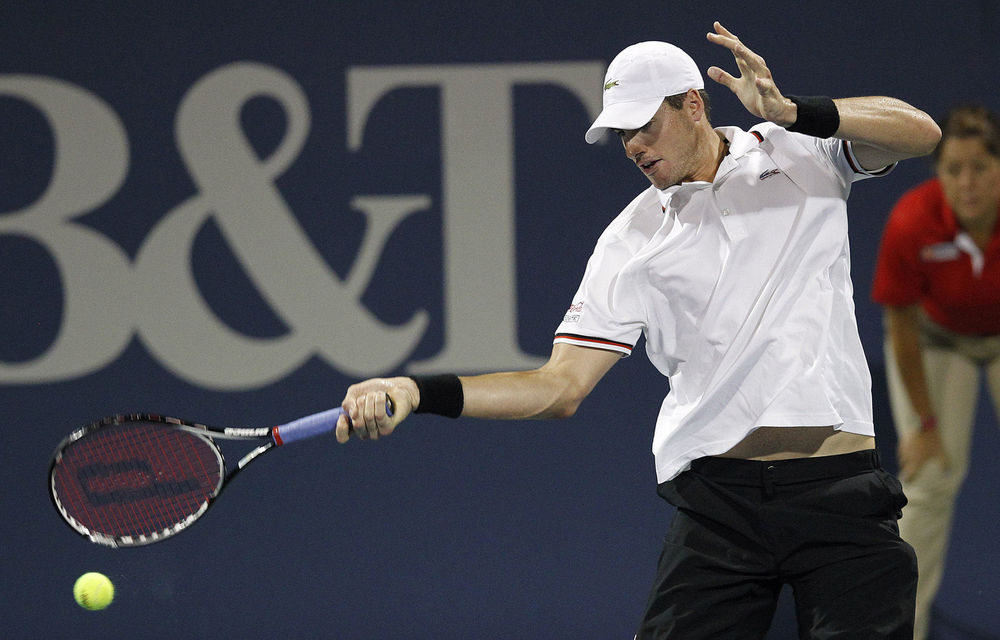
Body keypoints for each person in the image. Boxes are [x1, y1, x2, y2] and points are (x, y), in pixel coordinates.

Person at [339, 22, 942, 638]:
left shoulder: (797, 152)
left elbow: (923, 134)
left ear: (694, 104)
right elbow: (558, 388)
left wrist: (791, 111)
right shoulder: (630, 240)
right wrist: (418, 392)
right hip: (718, 507)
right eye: (623, 132)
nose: (633, 145)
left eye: (645, 125)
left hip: (839, 491)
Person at [872, 104, 1000, 640]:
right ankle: (905, 632)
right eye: (953, 169)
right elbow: (901, 326)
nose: (967, 182)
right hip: (935, 340)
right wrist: (924, 427)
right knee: (926, 480)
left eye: (980, 168)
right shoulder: (912, 220)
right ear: (938, 173)